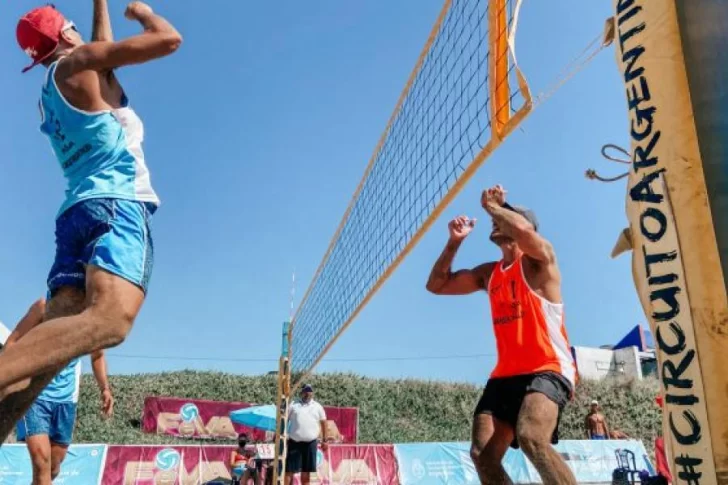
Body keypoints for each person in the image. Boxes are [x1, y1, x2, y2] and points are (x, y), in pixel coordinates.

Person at [0, 0, 181, 442]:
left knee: (45, 360)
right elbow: (169, 39)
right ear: (65, 35)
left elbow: (103, 50)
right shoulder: (79, 62)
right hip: (115, 205)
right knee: (110, 321)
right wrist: (142, 14)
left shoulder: (55, 88)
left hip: (77, 213)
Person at [426, 185, 577, 485]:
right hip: (506, 374)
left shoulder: (539, 263)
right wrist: (454, 243)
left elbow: (526, 233)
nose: (496, 220)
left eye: (506, 217)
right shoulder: (489, 272)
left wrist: (494, 207)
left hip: (548, 367)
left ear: (526, 228)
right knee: (482, 455)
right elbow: (436, 285)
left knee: (532, 438)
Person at [4, 298, 113, 485]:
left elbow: (97, 356)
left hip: (66, 400)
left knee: (52, 469)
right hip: (34, 397)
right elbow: (11, 344)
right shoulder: (43, 308)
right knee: (41, 463)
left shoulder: (89, 318)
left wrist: (105, 388)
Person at [286, 385, 328, 485]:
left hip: (310, 443)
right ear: (301, 392)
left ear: (312, 393)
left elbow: (324, 423)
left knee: (307, 472)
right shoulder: (293, 404)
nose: (307, 393)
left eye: (309, 391)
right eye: (305, 391)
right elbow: (284, 419)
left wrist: (325, 440)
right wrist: (280, 434)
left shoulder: (318, 406)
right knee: (289, 471)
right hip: (294, 442)